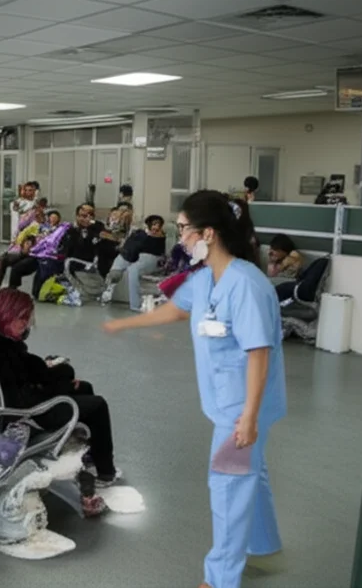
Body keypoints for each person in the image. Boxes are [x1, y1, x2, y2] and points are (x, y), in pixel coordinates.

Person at [103, 190, 285, 588]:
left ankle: (220, 579)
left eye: (184, 229)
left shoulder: (246, 284)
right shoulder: (206, 279)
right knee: (253, 473)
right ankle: (263, 542)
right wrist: (124, 324)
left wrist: (249, 417)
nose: (180, 237)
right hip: (226, 403)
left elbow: (259, 353)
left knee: (228, 485)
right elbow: (176, 308)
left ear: (210, 233)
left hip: (242, 407)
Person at [0, 289, 119, 515]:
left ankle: (89, 452)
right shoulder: (5, 355)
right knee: (98, 404)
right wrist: (61, 387)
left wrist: (55, 374)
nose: (28, 327)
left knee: (82, 387)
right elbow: (24, 397)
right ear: (13, 317)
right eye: (25, 320)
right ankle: (106, 471)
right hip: (27, 413)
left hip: (8, 399)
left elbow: (23, 367)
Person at [100, 214, 167, 309]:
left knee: (133, 269)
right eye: (153, 224)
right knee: (119, 265)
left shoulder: (160, 237)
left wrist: (152, 236)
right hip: (131, 255)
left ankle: (135, 305)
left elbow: (156, 250)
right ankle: (112, 280)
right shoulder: (139, 233)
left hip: (150, 257)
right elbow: (131, 245)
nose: (155, 227)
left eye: (158, 224)